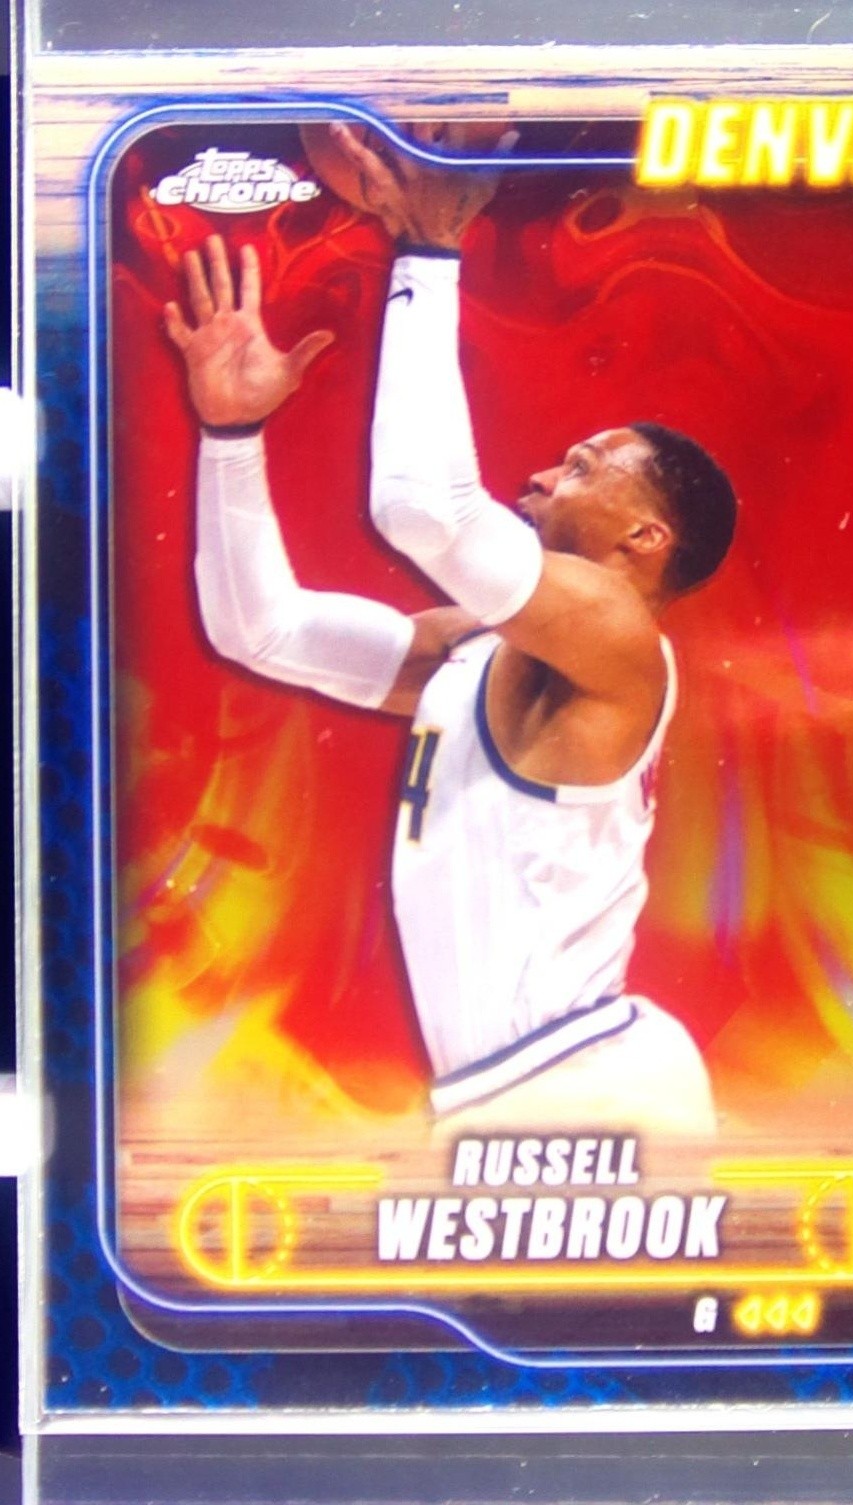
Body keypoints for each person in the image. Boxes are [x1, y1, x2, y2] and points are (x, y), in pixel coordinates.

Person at [164, 123, 737, 1135]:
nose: (543, 473)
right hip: (522, 1084)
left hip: (588, 1081)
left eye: (583, 467)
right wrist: (231, 434)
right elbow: (262, 629)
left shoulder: (620, 635)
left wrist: (427, 252)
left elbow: (427, 510)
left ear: (644, 538)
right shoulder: (479, 646)